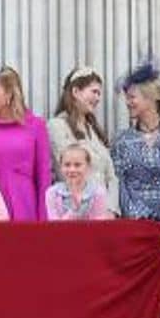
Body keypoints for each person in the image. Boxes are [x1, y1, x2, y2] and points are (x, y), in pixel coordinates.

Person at [0, 63, 51, 220]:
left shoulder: (36, 125)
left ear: (9, 94)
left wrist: (44, 220)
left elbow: (43, 176)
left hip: (26, 205)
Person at [112, 61, 160, 221]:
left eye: (132, 97)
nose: (127, 103)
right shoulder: (121, 140)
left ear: (150, 98)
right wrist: (136, 216)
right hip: (133, 223)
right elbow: (119, 183)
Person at [47, 66, 118, 215]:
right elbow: (67, 170)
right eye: (94, 92)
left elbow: (111, 176)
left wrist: (111, 209)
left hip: (104, 213)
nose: (98, 98)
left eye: (99, 93)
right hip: (76, 210)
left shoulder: (95, 131)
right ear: (76, 92)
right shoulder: (57, 126)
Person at [45, 143, 112, 221]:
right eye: (67, 165)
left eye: (77, 165)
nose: (72, 169)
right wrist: (73, 211)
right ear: (61, 167)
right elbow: (54, 226)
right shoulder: (53, 193)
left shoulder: (98, 192)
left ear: (88, 167)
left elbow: (97, 225)